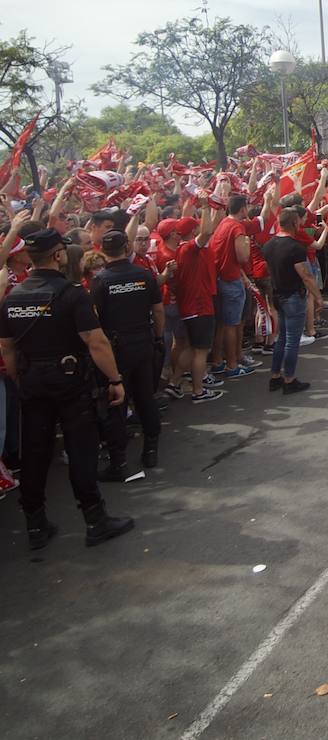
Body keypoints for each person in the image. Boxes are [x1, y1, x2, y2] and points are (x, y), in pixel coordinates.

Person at [0, 228, 135, 550]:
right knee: (81, 451)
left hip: (33, 382)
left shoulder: (13, 297)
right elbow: (96, 341)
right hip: (70, 381)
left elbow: (7, 347)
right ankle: (95, 521)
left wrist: (21, 380)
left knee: (35, 453)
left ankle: (35, 525)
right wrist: (115, 380)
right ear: (58, 255)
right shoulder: (72, 293)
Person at [89, 229, 164, 475]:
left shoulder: (100, 281)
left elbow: (94, 320)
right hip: (142, 342)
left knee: (116, 403)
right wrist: (158, 337)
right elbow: (158, 310)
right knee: (145, 397)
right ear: (127, 247)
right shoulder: (143, 275)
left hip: (115, 348)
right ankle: (151, 449)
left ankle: (118, 461)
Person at [262, 209, 320, 395]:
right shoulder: (295, 247)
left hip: (278, 294)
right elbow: (306, 275)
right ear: (294, 223)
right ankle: (289, 379)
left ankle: (275, 376)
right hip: (293, 296)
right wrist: (317, 296)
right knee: (291, 341)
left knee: (283, 338)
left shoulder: (269, 246)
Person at [170, 205, 224, 403]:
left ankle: (174, 382)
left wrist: (215, 206)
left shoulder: (181, 250)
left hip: (189, 306)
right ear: (193, 231)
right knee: (201, 351)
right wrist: (203, 205)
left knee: (191, 347)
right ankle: (198, 391)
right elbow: (208, 231)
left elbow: (211, 229)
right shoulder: (189, 248)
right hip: (199, 306)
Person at [208, 194, 255, 380]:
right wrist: (248, 244)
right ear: (243, 208)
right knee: (232, 325)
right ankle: (232, 365)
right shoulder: (237, 227)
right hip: (230, 280)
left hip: (220, 278)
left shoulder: (223, 224)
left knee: (222, 324)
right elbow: (242, 257)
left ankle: (219, 362)